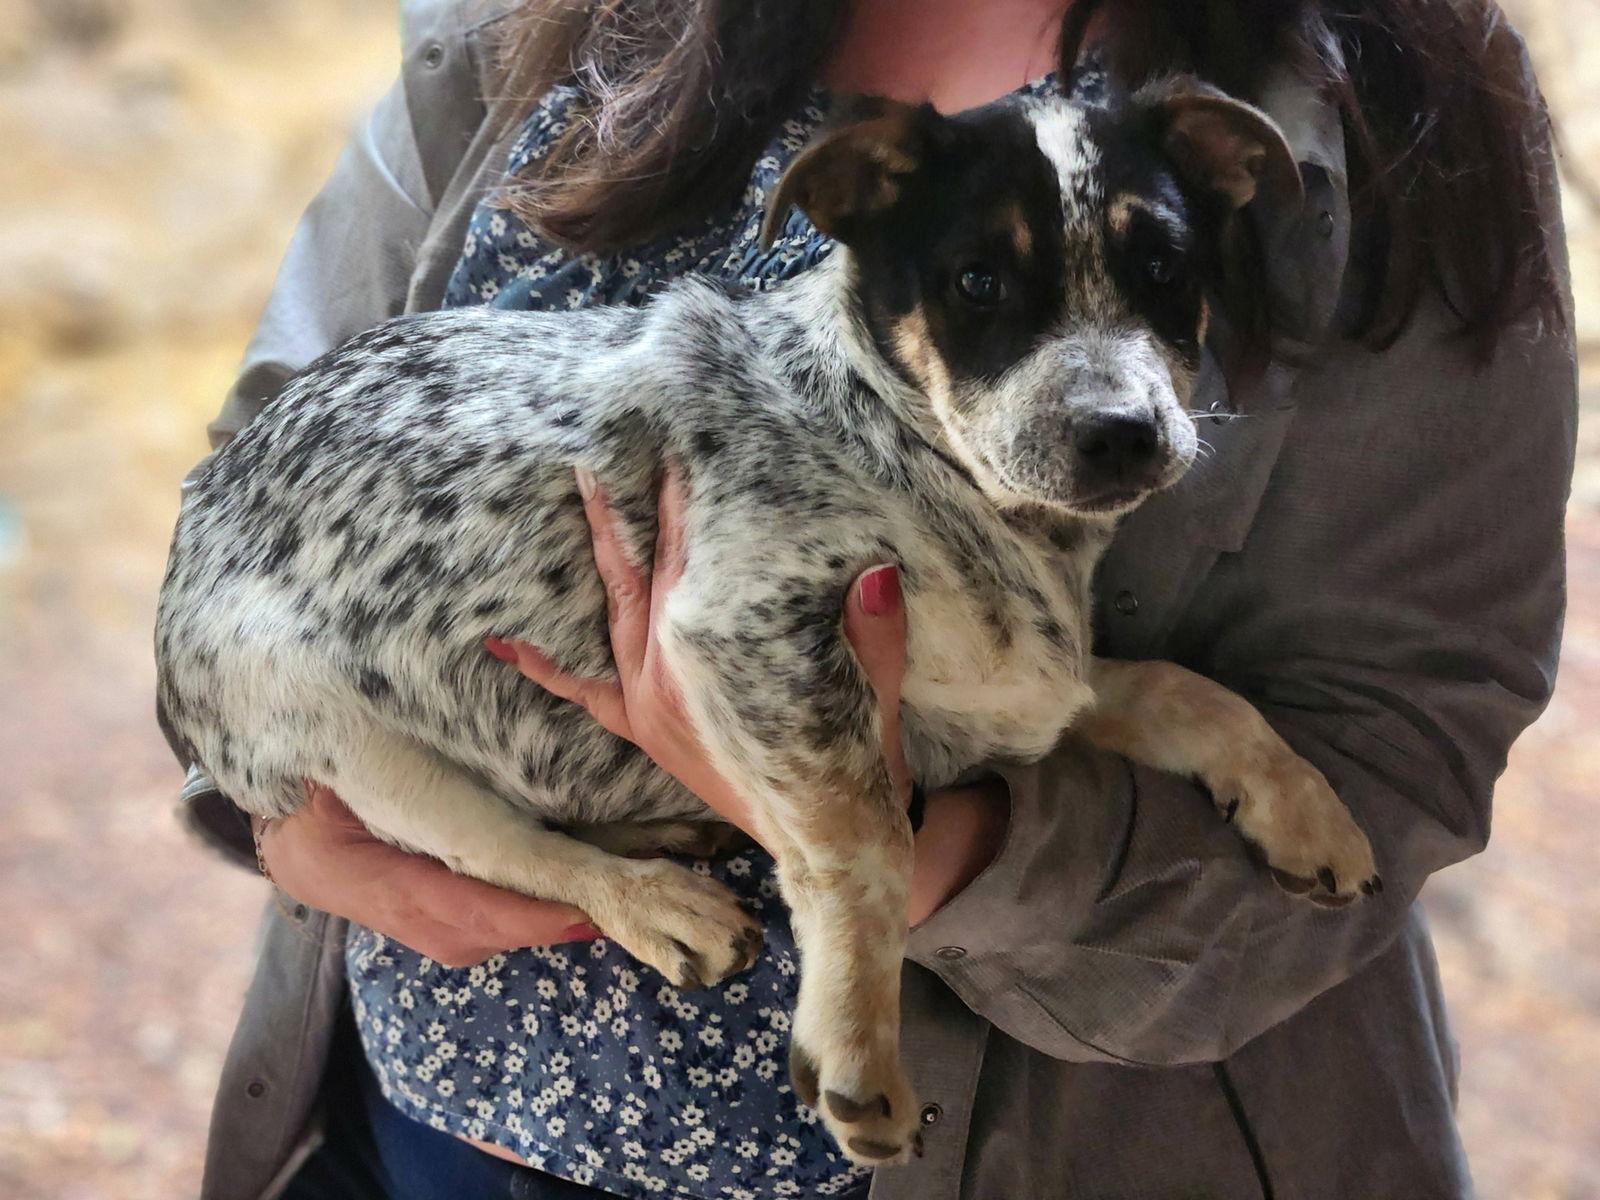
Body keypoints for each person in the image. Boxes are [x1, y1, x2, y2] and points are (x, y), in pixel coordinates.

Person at [167, 0, 1577, 1196]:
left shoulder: (1389, 98)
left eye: (1154, 278)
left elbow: (1401, 738)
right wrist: (293, 823)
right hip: (434, 1132)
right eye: (985, 290)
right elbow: (268, 474)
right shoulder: (545, 19)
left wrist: (911, 850)